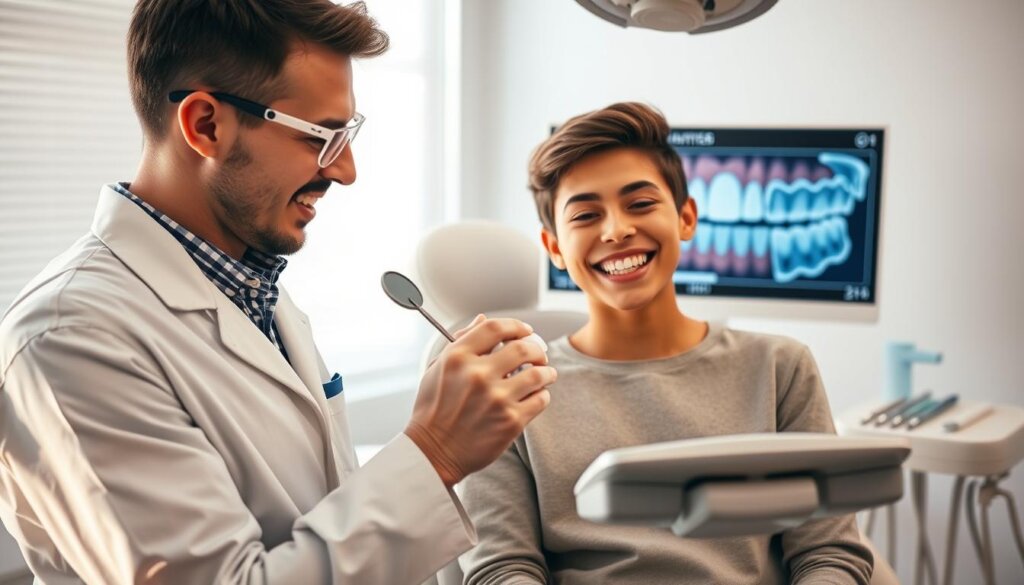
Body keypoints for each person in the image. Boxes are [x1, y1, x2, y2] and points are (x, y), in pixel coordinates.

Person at [0, 1, 556, 583]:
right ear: (205, 125)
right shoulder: (69, 337)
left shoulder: (253, 288)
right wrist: (434, 451)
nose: (346, 171)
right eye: (323, 136)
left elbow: (319, 520)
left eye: (348, 134)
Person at [456, 102, 874, 584]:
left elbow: (829, 555)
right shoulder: (512, 391)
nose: (617, 230)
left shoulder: (780, 368)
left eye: (640, 204)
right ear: (554, 248)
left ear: (686, 217)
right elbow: (501, 569)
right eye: (587, 214)